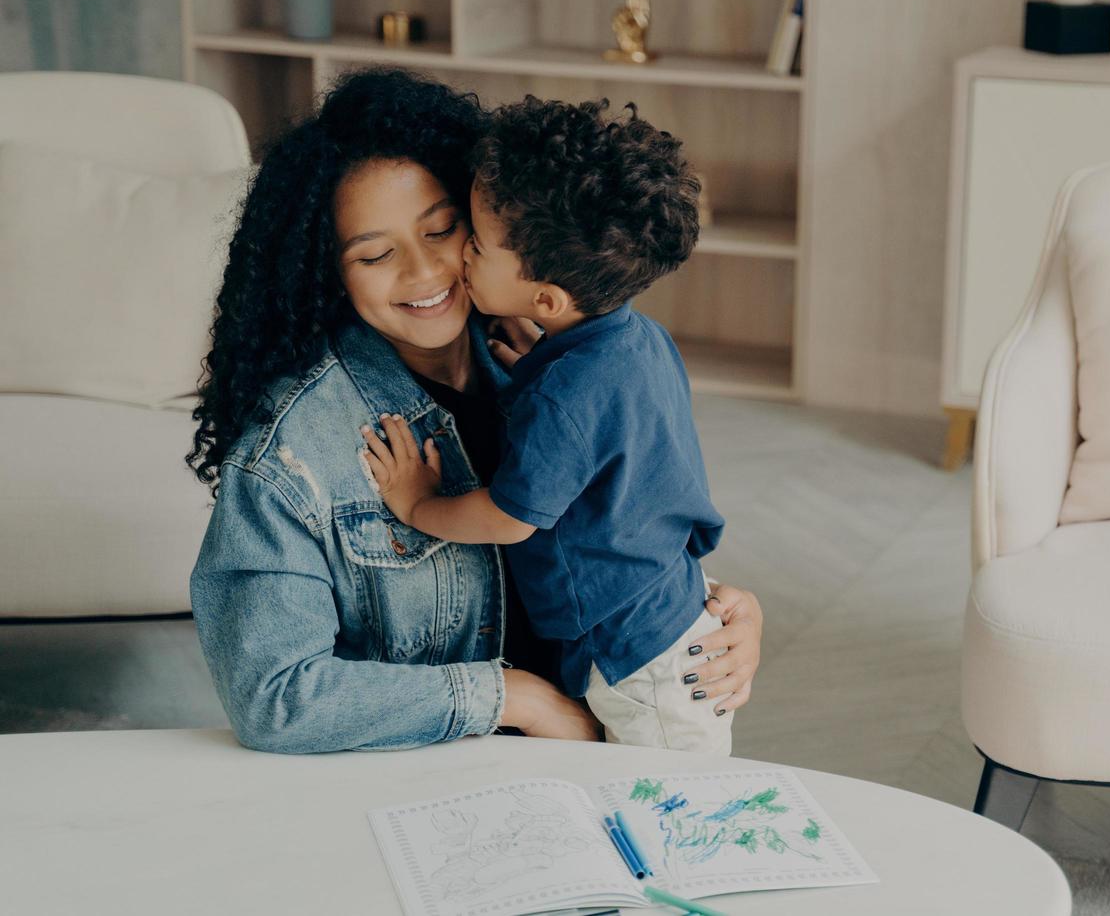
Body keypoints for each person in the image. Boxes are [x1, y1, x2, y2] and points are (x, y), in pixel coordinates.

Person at [186, 69, 763, 753]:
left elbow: (619, 533)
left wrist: (713, 615)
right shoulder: (291, 456)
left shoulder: (559, 372)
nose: (426, 272)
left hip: (599, 748)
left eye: (444, 230)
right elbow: (275, 698)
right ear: (326, 270)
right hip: (447, 789)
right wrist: (512, 699)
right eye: (375, 254)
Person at [361, 97, 730, 753]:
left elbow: (508, 518)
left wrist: (417, 503)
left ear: (548, 299)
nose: (464, 255)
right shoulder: (639, 339)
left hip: (636, 663)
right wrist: (533, 373)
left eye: (477, 242)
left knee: (665, 810)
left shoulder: (563, 398)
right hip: (672, 611)